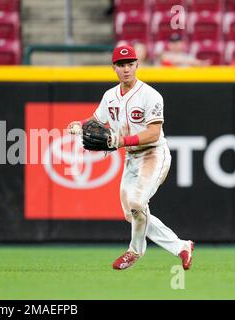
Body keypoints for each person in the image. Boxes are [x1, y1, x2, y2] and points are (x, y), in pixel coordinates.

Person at [68, 45, 194, 271]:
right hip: (132, 158)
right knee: (133, 214)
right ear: (114, 68)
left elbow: (153, 133)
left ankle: (134, 251)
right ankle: (181, 246)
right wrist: (81, 124)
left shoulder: (151, 95)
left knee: (137, 204)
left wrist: (122, 141)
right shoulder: (110, 96)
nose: (126, 69)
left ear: (137, 65)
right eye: (121, 65)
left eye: (130, 64)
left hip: (154, 154)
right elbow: (97, 120)